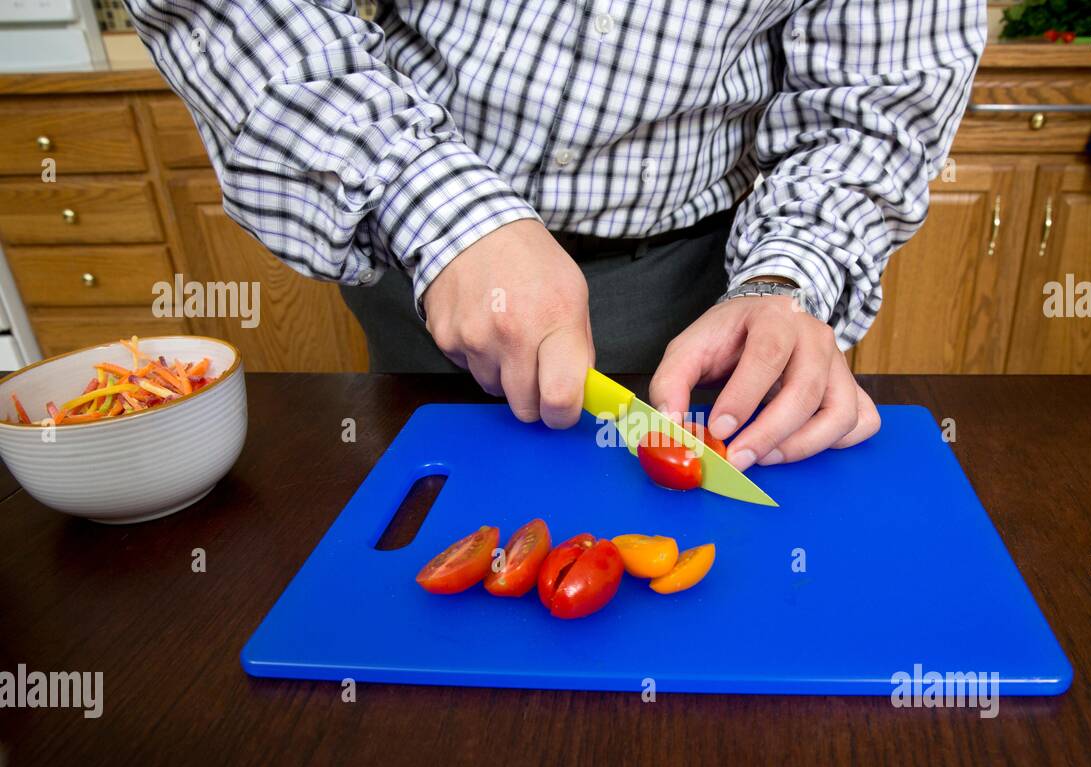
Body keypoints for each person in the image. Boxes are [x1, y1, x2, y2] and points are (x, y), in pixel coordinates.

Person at [127, 1, 983, 470]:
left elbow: (872, 110)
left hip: (692, 294)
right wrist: (438, 206)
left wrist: (787, 279)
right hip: (421, 268)